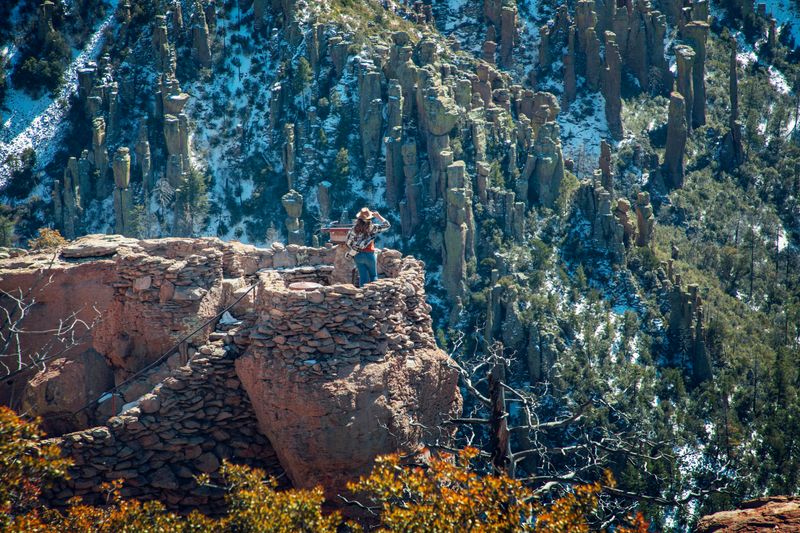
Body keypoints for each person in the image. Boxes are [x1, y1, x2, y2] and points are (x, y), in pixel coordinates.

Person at [345, 207, 391, 286]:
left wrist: (355, 249)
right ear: (369, 218)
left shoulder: (353, 229)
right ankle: (373, 295)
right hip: (369, 254)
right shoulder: (373, 228)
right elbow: (387, 225)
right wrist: (378, 216)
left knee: (363, 277)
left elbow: (348, 242)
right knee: (373, 276)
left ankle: (362, 295)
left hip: (357, 255)